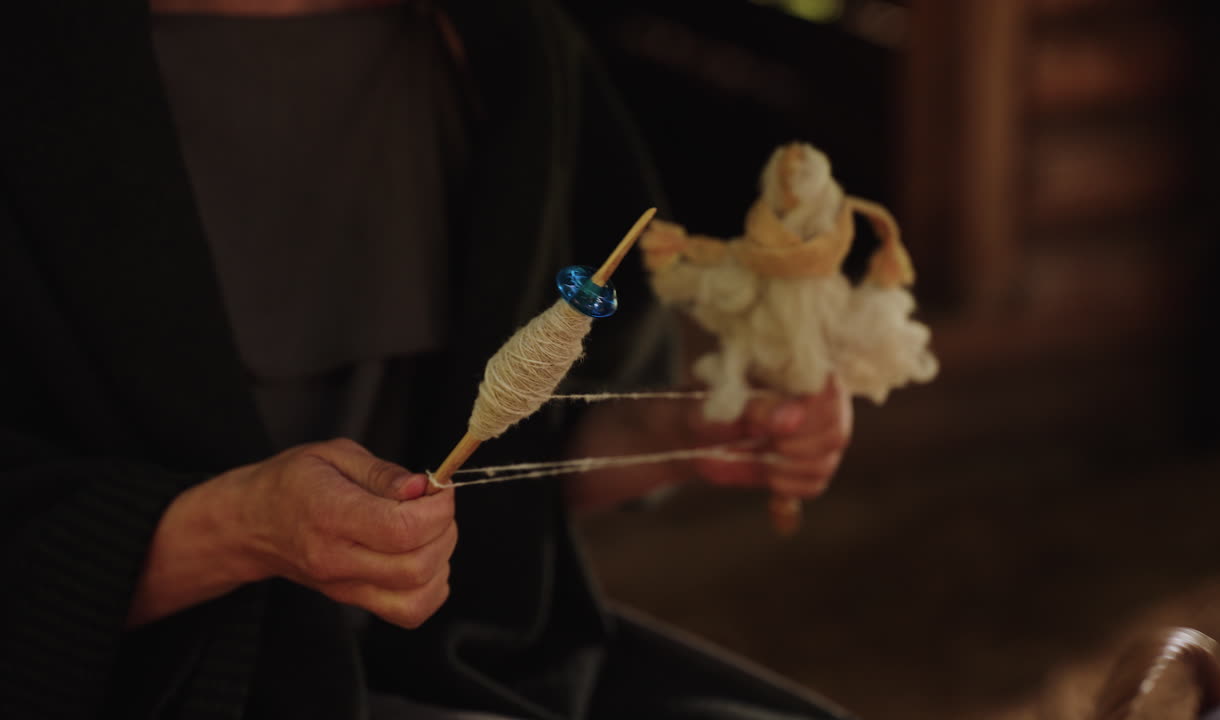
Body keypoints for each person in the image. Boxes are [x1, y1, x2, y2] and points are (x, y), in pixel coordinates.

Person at [0, 0, 854, 717]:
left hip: (471, 667)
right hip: (163, 686)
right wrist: (238, 527)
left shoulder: (511, 48)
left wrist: (674, 430)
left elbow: (506, 483)